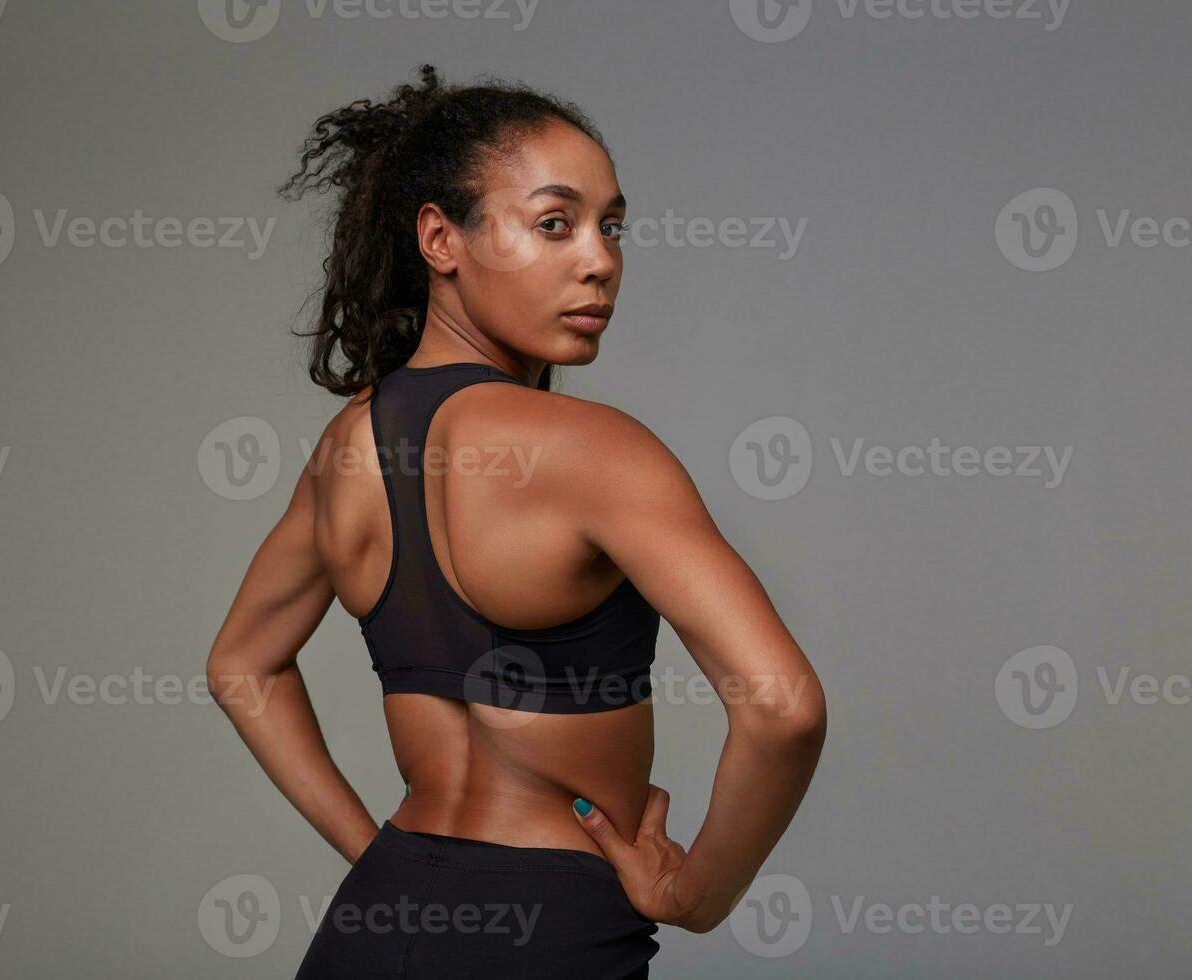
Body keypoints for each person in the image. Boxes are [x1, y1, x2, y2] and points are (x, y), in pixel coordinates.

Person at [205, 64, 827, 978]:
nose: (600, 257)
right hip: (549, 930)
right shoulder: (595, 448)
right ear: (439, 238)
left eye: (611, 226)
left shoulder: (345, 454)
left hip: (373, 925)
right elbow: (783, 708)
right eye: (554, 223)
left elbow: (240, 664)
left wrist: (377, 859)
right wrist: (696, 894)